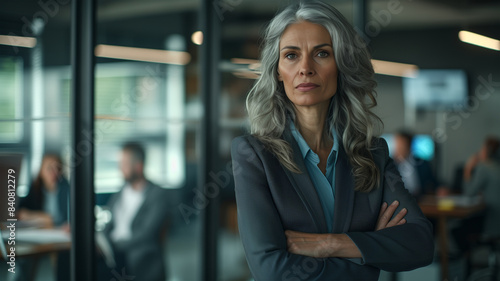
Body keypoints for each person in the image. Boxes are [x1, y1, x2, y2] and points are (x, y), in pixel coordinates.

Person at [231, 1, 434, 280]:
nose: (305, 68)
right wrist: (367, 249)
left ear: (340, 64)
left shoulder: (373, 153)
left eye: (322, 53)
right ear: (277, 71)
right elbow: (271, 271)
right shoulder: (254, 155)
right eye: (291, 55)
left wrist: (330, 244)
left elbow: (421, 245)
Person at [101, 142, 169, 281]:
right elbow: (108, 222)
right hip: (113, 251)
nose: (120, 168)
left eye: (124, 164)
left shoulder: (157, 194)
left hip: (138, 254)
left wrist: (114, 246)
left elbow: (147, 234)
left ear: (138, 166)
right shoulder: (121, 191)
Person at [16, 154, 70, 281]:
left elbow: (73, 215)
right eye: (49, 168)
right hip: (39, 234)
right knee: (26, 259)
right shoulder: (35, 189)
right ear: (41, 171)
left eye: (57, 168)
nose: (54, 173)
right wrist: (45, 217)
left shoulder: (66, 188)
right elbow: (21, 212)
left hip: (60, 234)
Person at [393, 130, 445, 198]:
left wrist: (440, 188)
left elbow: (434, 182)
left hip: (420, 200)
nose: (398, 148)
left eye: (401, 145)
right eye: (397, 144)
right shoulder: (390, 164)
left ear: (409, 145)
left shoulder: (423, 163)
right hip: (398, 199)